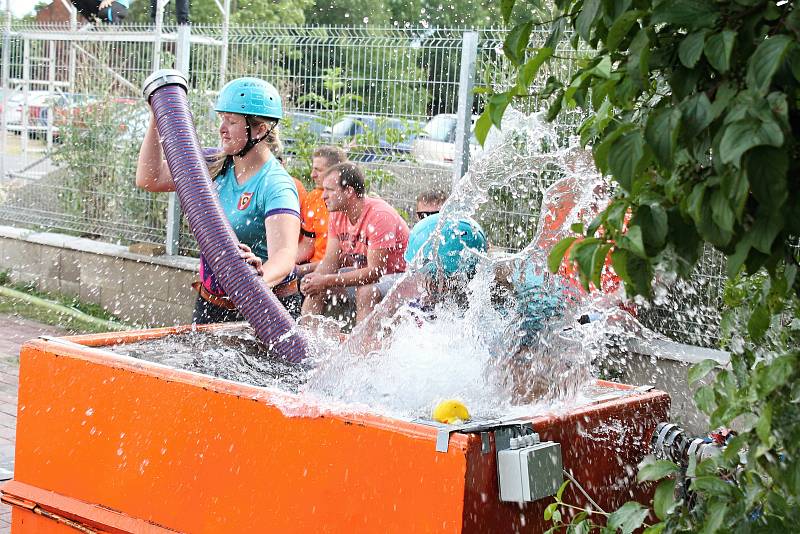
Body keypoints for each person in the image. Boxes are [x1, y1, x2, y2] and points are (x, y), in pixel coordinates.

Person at [136, 77, 302, 322]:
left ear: (260, 129)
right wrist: (157, 116)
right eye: (222, 118)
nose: (222, 128)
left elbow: (285, 255)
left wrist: (257, 280)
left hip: (267, 308)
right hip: (212, 302)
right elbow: (150, 178)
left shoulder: (276, 184)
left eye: (231, 121)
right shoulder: (213, 163)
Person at [300, 162, 409, 323]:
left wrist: (326, 280)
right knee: (316, 288)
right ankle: (304, 340)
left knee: (366, 291)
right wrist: (315, 279)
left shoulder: (379, 215)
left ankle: (361, 347)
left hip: (400, 279)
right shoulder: (337, 214)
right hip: (371, 277)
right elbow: (330, 261)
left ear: (349, 191)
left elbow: (375, 272)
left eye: (329, 190)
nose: (323, 196)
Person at [295, 145, 348, 277]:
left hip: (336, 271)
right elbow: (308, 244)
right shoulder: (313, 198)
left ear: (335, 172)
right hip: (312, 266)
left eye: (318, 170)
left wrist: (300, 270)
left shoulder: (347, 201)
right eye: (313, 169)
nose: (312, 175)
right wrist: (285, 263)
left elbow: (343, 260)